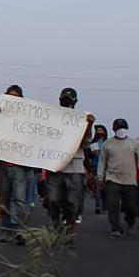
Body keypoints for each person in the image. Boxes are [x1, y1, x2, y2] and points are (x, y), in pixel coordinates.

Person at [0, 84, 34, 244]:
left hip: (19, 165)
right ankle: (6, 231)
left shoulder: (27, 119)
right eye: (10, 96)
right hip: (2, 165)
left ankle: (20, 231)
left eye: (16, 97)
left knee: (20, 200)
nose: (13, 99)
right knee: (4, 200)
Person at [45, 88, 93, 241]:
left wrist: (89, 125)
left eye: (70, 99)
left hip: (74, 167)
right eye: (64, 98)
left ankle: (69, 234)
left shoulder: (81, 120)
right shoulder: (51, 118)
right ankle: (56, 225)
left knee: (72, 202)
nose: (66, 101)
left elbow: (85, 143)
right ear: (59, 100)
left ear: (75, 101)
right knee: (52, 200)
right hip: (55, 165)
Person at [97, 118, 139, 237]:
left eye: (123, 128)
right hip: (112, 178)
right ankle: (116, 228)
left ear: (127, 129)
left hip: (129, 179)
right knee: (112, 204)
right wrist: (100, 178)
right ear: (113, 129)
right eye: (118, 128)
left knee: (131, 205)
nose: (121, 130)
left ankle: (130, 222)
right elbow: (102, 161)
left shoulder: (134, 143)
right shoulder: (107, 144)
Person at [85, 124, 109, 216]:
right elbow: (89, 156)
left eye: (101, 130)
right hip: (96, 167)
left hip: (107, 168)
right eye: (97, 130)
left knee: (105, 188)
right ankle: (98, 206)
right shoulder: (93, 144)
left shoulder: (108, 143)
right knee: (97, 187)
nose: (99, 132)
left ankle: (105, 206)